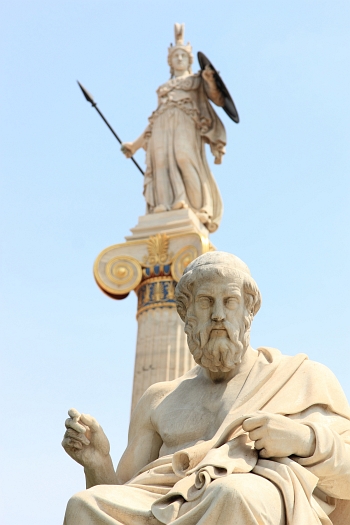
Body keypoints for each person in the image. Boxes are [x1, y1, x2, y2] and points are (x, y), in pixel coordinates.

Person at [62, 251, 350, 524]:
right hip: (168, 499)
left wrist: (305, 440)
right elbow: (125, 493)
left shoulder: (300, 378)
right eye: (205, 301)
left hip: (247, 494)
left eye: (230, 301)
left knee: (229, 493)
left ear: (249, 312)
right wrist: (97, 462)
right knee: (84, 503)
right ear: (186, 315)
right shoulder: (159, 400)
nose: (218, 314)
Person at [121, 24, 226, 232]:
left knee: (184, 159)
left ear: (189, 60)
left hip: (185, 122)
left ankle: (198, 208)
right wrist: (134, 145)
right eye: (175, 56)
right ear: (170, 62)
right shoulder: (163, 89)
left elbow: (218, 99)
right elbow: (153, 122)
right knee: (160, 162)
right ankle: (164, 205)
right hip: (162, 125)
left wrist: (210, 81)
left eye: (183, 56)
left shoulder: (196, 80)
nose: (179, 59)